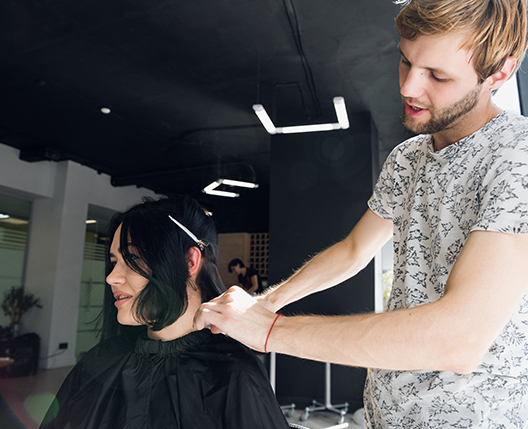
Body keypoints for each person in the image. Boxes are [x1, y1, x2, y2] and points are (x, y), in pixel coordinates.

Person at [194, 0, 528, 427]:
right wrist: (266, 302)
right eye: (405, 62)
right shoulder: (408, 157)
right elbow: (354, 250)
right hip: (382, 414)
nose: (408, 86)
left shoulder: (517, 155)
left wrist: (270, 332)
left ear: (499, 72)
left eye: (438, 76)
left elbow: (458, 339)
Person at [40, 196, 289, 429]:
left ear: (190, 262)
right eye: (115, 261)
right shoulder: (99, 361)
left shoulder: (233, 376)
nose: (111, 277)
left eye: (133, 259)